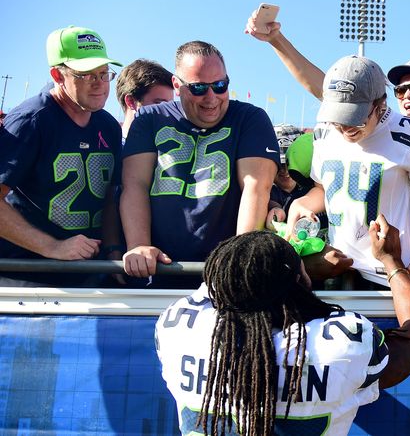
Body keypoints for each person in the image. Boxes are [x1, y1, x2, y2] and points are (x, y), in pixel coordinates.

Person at [156, 214, 410, 435]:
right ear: (300, 282)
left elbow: (224, 284)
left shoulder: (178, 328)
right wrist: (391, 261)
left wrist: (285, 271)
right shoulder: (339, 345)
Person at [120, 41, 278, 285]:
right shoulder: (150, 119)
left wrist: (241, 254)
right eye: (199, 88)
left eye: (220, 85)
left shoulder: (250, 118)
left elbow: (256, 187)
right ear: (177, 85)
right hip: (161, 269)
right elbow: (135, 185)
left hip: (224, 272)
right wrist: (139, 245)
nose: (211, 97)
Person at [286, 55, 410, 287]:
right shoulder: (325, 131)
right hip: (336, 267)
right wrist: (303, 203)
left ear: (381, 104)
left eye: (355, 118)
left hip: (392, 274)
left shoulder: (408, 135)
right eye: (338, 117)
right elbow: (323, 190)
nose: (345, 127)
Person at [0, 26, 123, 286]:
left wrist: (112, 250)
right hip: (27, 275)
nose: (99, 83)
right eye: (86, 75)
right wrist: (52, 247)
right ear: (57, 74)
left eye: (103, 73)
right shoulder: (30, 121)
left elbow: (109, 197)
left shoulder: (109, 126)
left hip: (88, 272)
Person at [244, 11, 410, 129]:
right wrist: (276, 40)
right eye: (400, 91)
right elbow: (326, 88)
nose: (407, 95)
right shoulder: (384, 124)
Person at [114, 58, 174, 139]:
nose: (169, 113)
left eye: (171, 106)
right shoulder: (108, 148)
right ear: (131, 102)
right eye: (160, 105)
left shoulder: (173, 148)